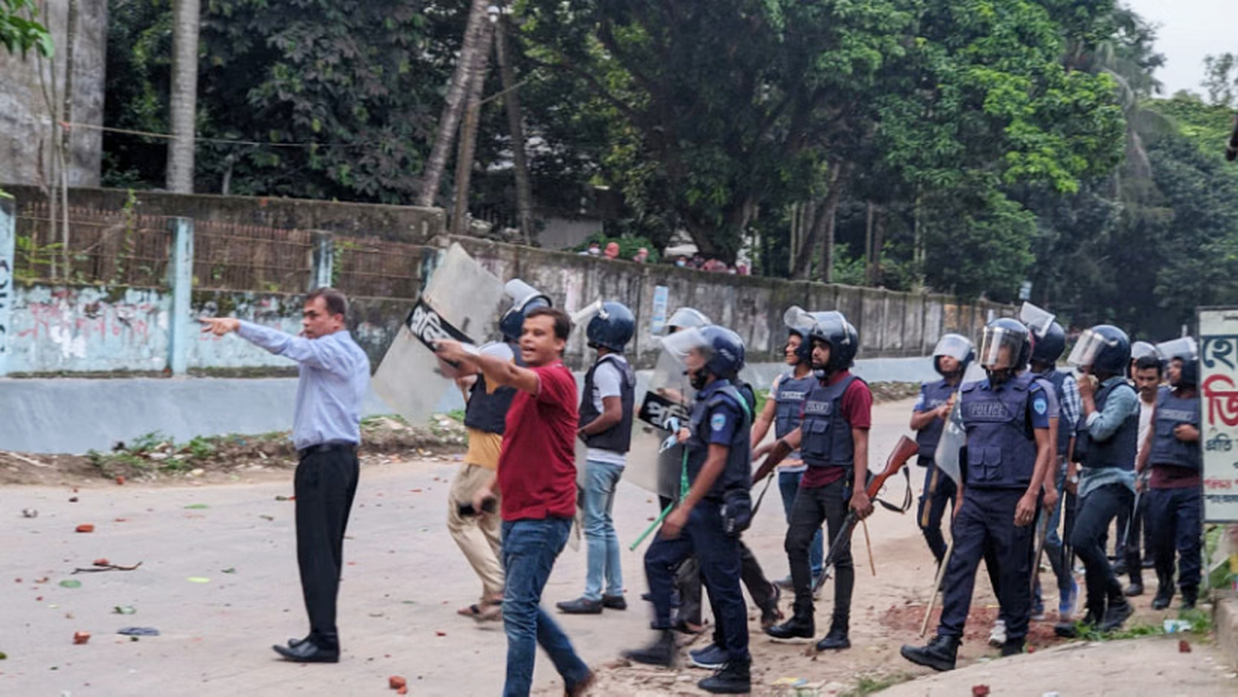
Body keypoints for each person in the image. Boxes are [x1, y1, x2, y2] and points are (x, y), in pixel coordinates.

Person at [200, 288, 370, 664]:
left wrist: (238, 325)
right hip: (330, 460)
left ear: (336, 320)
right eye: (305, 316)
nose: (306, 323)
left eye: (313, 316)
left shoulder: (335, 351)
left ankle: (325, 640)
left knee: (317, 553)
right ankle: (320, 632)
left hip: (326, 463)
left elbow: (285, 346)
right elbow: (294, 345)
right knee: (322, 553)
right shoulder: (333, 353)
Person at [434, 307, 592, 697]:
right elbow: (515, 445)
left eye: (539, 333)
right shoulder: (523, 394)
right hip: (519, 512)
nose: (528, 339)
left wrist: (468, 352)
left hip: (544, 514)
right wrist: (490, 487)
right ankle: (575, 672)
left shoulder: (555, 379)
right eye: (525, 332)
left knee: (518, 610)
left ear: (559, 343)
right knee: (524, 602)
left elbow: (507, 372)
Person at [900, 318, 1055, 670]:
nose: (992, 352)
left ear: (1016, 352)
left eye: (1000, 345)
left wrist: (1032, 494)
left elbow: (1045, 448)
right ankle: (945, 644)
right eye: (989, 343)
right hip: (975, 498)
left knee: (1013, 570)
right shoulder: (971, 394)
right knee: (959, 566)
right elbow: (966, 447)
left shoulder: (1034, 392)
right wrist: (962, 497)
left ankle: (1014, 643)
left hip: (1013, 496)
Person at [623, 326, 754, 694]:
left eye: (695, 355)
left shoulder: (724, 402)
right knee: (657, 560)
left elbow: (716, 460)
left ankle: (738, 668)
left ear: (714, 362)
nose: (688, 361)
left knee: (724, 586)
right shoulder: (708, 398)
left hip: (715, 509)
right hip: (698, 509)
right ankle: (664, 642)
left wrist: (685, 507)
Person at [758, 311, 873, 652]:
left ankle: (840, 628)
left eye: (823, 346)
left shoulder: (855, 390)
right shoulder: (817, 388)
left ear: (840, 350)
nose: (815, 352)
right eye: (816, 346)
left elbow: (860, 441)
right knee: (796, 542)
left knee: (841, 556)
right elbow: (799, 433)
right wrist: (766, 459)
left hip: (839, 482)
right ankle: (803, 617)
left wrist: (859, 491)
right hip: (811, 478)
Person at [449, 282, 550, 622]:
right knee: (490, 524)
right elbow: (478, 387)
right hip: (502, 452)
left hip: (484, 454)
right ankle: (491, 597)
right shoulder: (526, 362)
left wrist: (453, 351)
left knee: (460, 519)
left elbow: (464, 363)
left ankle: (497, 588)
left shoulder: (501, 352)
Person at [558, 301, 637, 615]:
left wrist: (582, 432)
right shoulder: (623, 367)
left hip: (601, 457)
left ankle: (592, 594)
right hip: (615, 458)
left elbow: (614, 413)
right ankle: (614, 590)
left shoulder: (605, 369)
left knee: (594, 525)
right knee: (605, 524)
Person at [1065, 324, 1139, 633]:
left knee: (1081, 539)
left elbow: (1101, 429)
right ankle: (1095, 613)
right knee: (1091, 542)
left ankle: (1118, 600)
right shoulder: (1101, 389)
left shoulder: (1122, 393)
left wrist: (1087, 400)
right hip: (1091, 477)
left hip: (1114, 480)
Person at [750, 319, 824, 589]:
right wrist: (748, 448)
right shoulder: (781, 381)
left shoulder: (818, 383)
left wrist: (766, 449)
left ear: (806, 349)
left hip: (808, 465)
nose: (788, 349)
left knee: (810, 522)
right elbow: (764, 419)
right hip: (784, 466)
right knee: (794, 523)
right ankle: (799, 573)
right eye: (788, 344)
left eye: (794, 345)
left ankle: (815, 573)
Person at [1137, 338, 1203, 611]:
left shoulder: (1206, 402)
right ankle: (1165, 585)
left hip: (1190, 483)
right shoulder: (1163, 397)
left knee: (1188, 542)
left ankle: (1189, 592)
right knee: (1160, 543)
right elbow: (1151, 436)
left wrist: (1196, 435)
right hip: (1160, 482)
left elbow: (1224, 438)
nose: (1171, 370)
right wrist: (1139, 470)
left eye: (1177, 366)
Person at [1027, 321, 1081, 621]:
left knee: (1046, 535)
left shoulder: (1064, 382)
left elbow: (1073, 428)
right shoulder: (1020, 378)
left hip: (1054, 465)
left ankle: (1066, 584)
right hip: (1022, 467)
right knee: (1019, 535)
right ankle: (1031, 597)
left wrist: (1071, 467)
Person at [910, 334, 974, 566]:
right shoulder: (929, 389)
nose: (946, 360)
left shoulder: (973, 389)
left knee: (961, 524)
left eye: (952, 356)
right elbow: (914, 422)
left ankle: (955, 571)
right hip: (936, 464)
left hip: (962, 466)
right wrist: (936, 413)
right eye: (943, 356)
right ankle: (943, 561)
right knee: (926, 520)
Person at [1122, 346, 1162, 597]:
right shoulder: (1129, 403)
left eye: (1151, 379)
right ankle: (1135, 580)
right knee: (1130, 529)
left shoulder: (1166, 404)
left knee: (1160, 529)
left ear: (1161, 378)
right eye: (1141, 379)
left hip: (1159, 473)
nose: (1145, 384)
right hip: (1130, 471)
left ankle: (1165, 581)